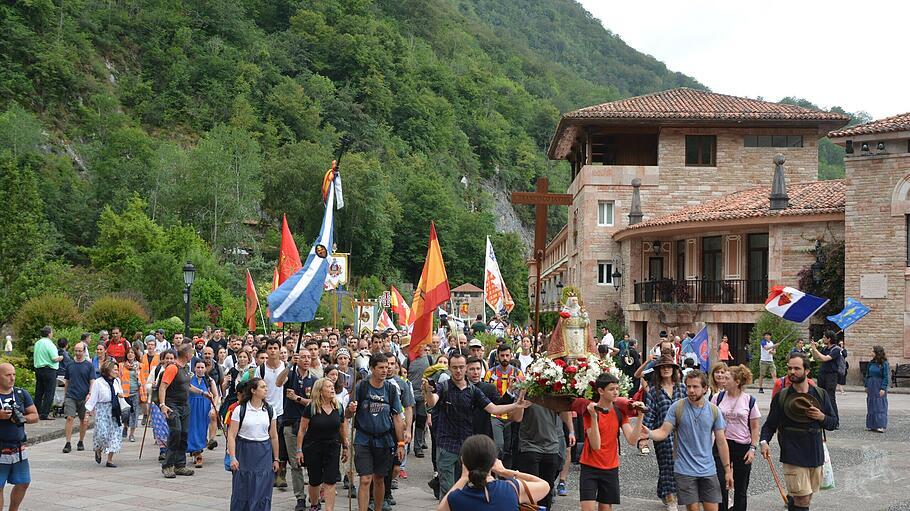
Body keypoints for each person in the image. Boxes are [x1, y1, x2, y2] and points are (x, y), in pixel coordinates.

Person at [424, 353, 531, 499]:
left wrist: (516, 405)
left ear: (465, 368)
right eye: (454, 367)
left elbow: (493, 408)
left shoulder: (473, 391)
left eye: (461, 367)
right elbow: (432, 402)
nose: (458, 370)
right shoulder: (444, 387)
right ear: (449, 368)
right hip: (446, 445)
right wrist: (428, 392)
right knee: (448, 489)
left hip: (467, 448)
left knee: (468, 489)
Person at [760, 352, 838, 511]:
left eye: (796, 368)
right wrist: (763, 442)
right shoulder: (782, 396)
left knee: (805, 498)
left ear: (807, 371)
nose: (792, 372)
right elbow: (769, 425)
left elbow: (833, 423)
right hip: (792, 453)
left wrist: (821, 417)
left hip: (815, 453)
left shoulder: (820, 394)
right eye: (789, 368)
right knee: (802, 499)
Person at [648, 370, 733, 511]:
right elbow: (663, 432)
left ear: (705, 389)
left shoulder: (714, 411)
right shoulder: (677, 407)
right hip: (685, 470)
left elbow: (721, 442)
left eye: (695, 387)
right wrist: (648, 433)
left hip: (708, 469)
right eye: (688, 387)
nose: (691, 390)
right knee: (693, 509)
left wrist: (727, 470)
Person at [347, 353, 405, 511]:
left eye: (387, 367)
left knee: (379, 479)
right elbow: (347, 414)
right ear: (372, 368)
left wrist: (400, 443)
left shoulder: (391, 390)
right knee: (365, 479)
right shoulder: (361, 387)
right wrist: (350, 410)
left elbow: (397, 418)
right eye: (381, 367)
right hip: (363, 439)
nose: (385, 371)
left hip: (384, 440)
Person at [579, 373, 645, 511]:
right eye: (611, 389)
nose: (615, 392)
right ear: (600, 391)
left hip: (610, 466)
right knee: (587, 509)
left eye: (617, 388)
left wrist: (640, 417)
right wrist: (593, 416)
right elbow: (596, 446)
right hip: (590, 466)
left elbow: (632, 440)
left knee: (605, 508)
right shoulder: (589, 412)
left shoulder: (619, 412)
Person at [437, 434, 550, 511]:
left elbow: (441, 509)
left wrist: (463, 478)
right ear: (493, 461)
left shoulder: (456, 498)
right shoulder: (511, 489)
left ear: (463, 462)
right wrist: (504, 471)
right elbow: (544, 486)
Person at [228, 378, 280, 511]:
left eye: (266, 387)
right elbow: (232, 435)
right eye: (262, 387)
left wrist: (276, 459)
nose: (266, 389)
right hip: (244, 451)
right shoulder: (240, 410)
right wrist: (233, 457)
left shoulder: (269, 410)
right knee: (243, 488)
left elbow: (273, 436)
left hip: (264, 452)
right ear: (253, 390)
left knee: (262, 490)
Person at [713, 364, 760, 511]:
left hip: (742, 446)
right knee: (720, 483)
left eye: (727, 378)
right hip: (722, 443)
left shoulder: (749, 400)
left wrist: (752, 448)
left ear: (737, 381)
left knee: (741, 487)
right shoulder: (717, 397)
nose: (723, 380)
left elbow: (754, 427)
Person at [643, 355, 687, 511]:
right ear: (658, 370)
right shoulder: (653, 391)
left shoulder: (682, 388)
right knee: (667, 462)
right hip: (661, 432)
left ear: (674, 369)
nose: (666, 369)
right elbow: (650, 413)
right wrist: (644, 436)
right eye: (662, 367)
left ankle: (663, 490)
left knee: (678, 463)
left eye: (669, 366)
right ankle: (670, 496)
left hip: (682, 433)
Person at [296, 377, 347, 511]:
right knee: (314, 480)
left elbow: (342, 428)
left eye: (332, 386)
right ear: (320, 390)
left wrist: (346, 446)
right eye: (328, 387)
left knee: (330, 481)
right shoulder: (311, 407)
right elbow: (302, 430)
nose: (332, 389)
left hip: (333, 446)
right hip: (313, 447)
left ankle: (329, 509)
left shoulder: (338, 407)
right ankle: (314, 504)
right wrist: (299, 450)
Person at [283, 348, 318, 511]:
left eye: (308, 357)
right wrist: (289, 364)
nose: (305, 360)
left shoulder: (315, 380)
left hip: (308, 427)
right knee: (295, 464)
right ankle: (300, 497)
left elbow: (314, 403)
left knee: (311, 463)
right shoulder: (290, 375)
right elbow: (277, 382)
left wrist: (297, 398)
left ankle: (314, 495)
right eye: (302, 357)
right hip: (290, 425)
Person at [0, 363, 38, 511]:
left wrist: (22, 418)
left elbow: (35, 415)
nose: (12, 378)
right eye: (8, 375)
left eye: (14, 374)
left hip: (18, 448)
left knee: (23, 482)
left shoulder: (21, 393)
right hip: (0, 447)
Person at [159, 344, 195, 478]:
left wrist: (203, 393)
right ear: (187, 355)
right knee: (176, 432)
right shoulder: (173, 368)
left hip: (185, 406)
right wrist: (163, 405)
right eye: (191, 353)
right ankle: (167, 465)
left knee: (184, 434)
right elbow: (163, 386)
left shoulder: (185, 368)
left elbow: (188, 386)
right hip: (172, 405)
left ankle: (180, 465)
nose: (192, 355)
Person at [484, 344, 523, 465]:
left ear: (511, 356)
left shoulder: (518, 373)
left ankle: (506, 475)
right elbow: (486, 392)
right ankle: (495, 470)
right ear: (497, 356)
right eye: (502, 355)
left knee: (509, 447)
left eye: (507, 355)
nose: (505, 358)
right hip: (496, 415)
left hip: (512, 415)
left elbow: (523, 391)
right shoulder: (490, 373)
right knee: (498, 446)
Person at [260, 338, 289, 488]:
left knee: (280, 443)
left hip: (280, 411)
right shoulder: (261, 369)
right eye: (270, 348)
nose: (272, 351)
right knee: (267, 442)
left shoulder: (285, 366)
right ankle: (268, 472)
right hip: (265, 410)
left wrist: (289, 366)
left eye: (275, 348)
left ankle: (280, 473)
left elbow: (280, 382)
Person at [86, 361, 124, 467]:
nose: (117, 372)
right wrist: (87, 413)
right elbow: (93, 398)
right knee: (102, 433)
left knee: (115, 434)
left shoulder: (117, 381)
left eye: (117, 369)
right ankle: (98, 449)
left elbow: (120, 392)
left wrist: (121, 395)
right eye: (115, 369)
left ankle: (110, 460)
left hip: (114, 409)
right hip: (102, 409)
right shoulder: (98, 382)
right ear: (108, 370)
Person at [62, 341, 93, 454]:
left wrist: (90, 393)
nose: (78, 353)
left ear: (84, 352)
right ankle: (68, 442)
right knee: (69, 418)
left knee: (83, 421)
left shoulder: (89, 365)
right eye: (76, 350)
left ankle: (81, 441)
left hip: (84, 396)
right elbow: (67, 381)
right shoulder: (70, 364)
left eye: (80, 351)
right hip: (71, 395)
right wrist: (65, 395)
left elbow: (92, 381)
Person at [807, 331, 842, 421]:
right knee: (821, 395)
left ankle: (835, 419)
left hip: (831, 375)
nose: (823, 339)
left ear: (829, 339)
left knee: (830, 396)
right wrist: (813, 349)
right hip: (822, 374)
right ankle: (823, 417)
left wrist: (815, 350)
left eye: (824, 337)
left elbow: (825, 358)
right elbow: (816, 358)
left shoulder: (836, 349)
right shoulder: (825, 348)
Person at [187, 360, 216, 468]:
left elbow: (216, 395)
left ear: (205, 368)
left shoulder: (209, 380)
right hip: (191, 405)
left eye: (202, 367)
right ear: (194, 368)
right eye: (198, 367)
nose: (200, 370)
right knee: (192, 428)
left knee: (201, 429)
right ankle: (197, 453)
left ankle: (197, 451)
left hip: (204, 406)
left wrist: (213, 408)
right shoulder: (189, 378)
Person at [32, 326, 62, 421]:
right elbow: (54, 358)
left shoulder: (37, 343)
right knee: (49, 392)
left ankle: (36, 411)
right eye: (52, 332)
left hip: (38, 369)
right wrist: (61, 357)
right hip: (49, 370)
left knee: (39, 391)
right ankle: (45, 413)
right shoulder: (49, 344)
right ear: (49, 334)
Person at [118, 348, 142, 442]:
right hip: (124, 393)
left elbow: (143, 379)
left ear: (135, 354)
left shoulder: (140, 366)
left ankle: (131, 434)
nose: (130, 354)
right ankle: (125, 426)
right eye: (128, 353)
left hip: (136, 392)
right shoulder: (121, 365)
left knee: (134, 414)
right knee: (125, 413)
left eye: (132, 352)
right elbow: (118, 378)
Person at [864, 345, 889, 433]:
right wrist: (866, 385)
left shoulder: (884, 363)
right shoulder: (871, 363)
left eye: (872, 351)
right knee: (871, 403)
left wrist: (883, 388)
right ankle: (872, 424)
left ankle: (880, 425)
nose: (871, 353)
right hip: (871, 385)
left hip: (879, 384)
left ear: (877, 353)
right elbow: (867, 375)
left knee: (880, 405)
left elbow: (886, 377)